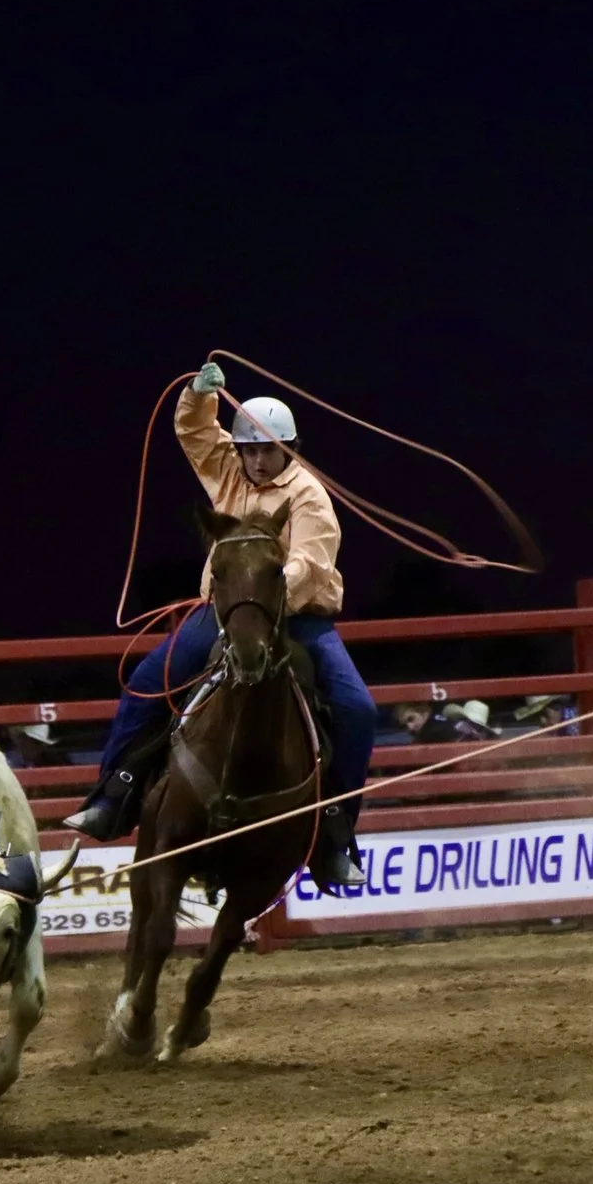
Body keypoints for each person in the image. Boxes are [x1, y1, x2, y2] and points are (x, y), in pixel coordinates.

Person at [63, 362, 375, 887]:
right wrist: (196, 395)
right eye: (247, 450)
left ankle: (335, 833)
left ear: (289, 448)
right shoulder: (229, 472)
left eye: (265, 450)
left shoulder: (308, 496)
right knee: (147, 684)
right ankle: (114, 793)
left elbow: (309, 564)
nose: (255, 460)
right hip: (225, 615)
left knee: (356, 710)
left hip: (296, 619)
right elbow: (195, 434)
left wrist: (261, 601)